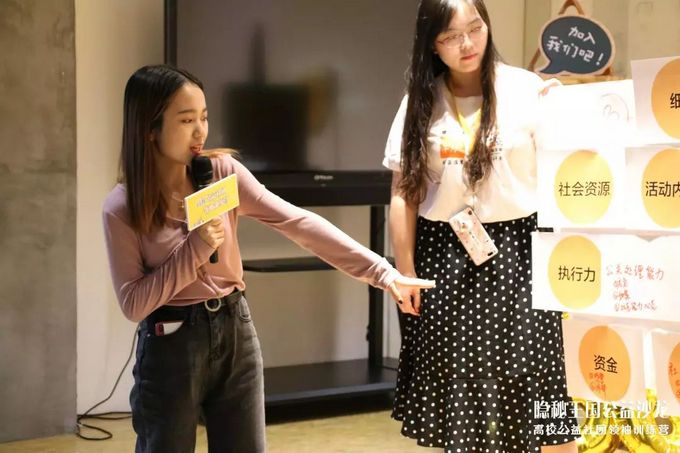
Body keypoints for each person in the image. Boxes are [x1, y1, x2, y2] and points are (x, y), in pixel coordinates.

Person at [102, 64, 434, 453]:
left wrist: (383, 273)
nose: (200, 132)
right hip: (170, 342)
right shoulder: (121, 207)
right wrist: (194, 250)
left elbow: (297, 222)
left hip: (235, 328)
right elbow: (134, 303)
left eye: (204, 117)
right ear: (149, 128)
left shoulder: (221, 173)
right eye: (187, 120)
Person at [383, 1, 579, 452]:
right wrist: (405, 270)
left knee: (540, 375)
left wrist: (571, 106)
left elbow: (570, 169)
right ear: (432, 44)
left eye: (475, 28)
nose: (467, 43)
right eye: (451, 36)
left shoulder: (527, 90)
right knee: (457, 382)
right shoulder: (420, 102)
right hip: (444, 255)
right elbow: (403, 192)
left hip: (522, 251)